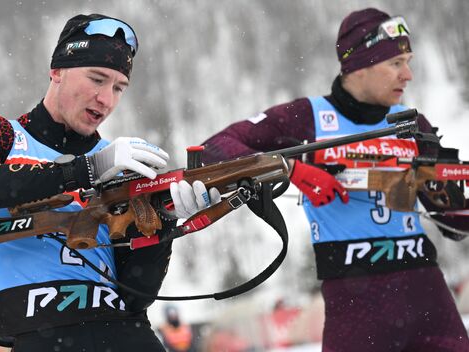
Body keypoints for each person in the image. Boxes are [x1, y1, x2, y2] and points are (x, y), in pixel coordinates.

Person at [201, 7, 469, 352]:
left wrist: (450, 191)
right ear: (359, 64)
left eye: (409, 61)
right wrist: (291, 169)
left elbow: (454, 223)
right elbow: (213, 150)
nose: (409, 75)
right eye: (396, 63)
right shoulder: (305, 118)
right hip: (354, 301)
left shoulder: (413, 124)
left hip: (427, 298)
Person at [0, 13, 219, 352]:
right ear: (57, 71)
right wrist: (85, 170)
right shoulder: (0, 133)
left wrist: (164, 223)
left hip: (126, 332)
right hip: (39, 334)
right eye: (96, 79)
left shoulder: (123, 161)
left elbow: (139, 294)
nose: (107, 99)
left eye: (119, 87)